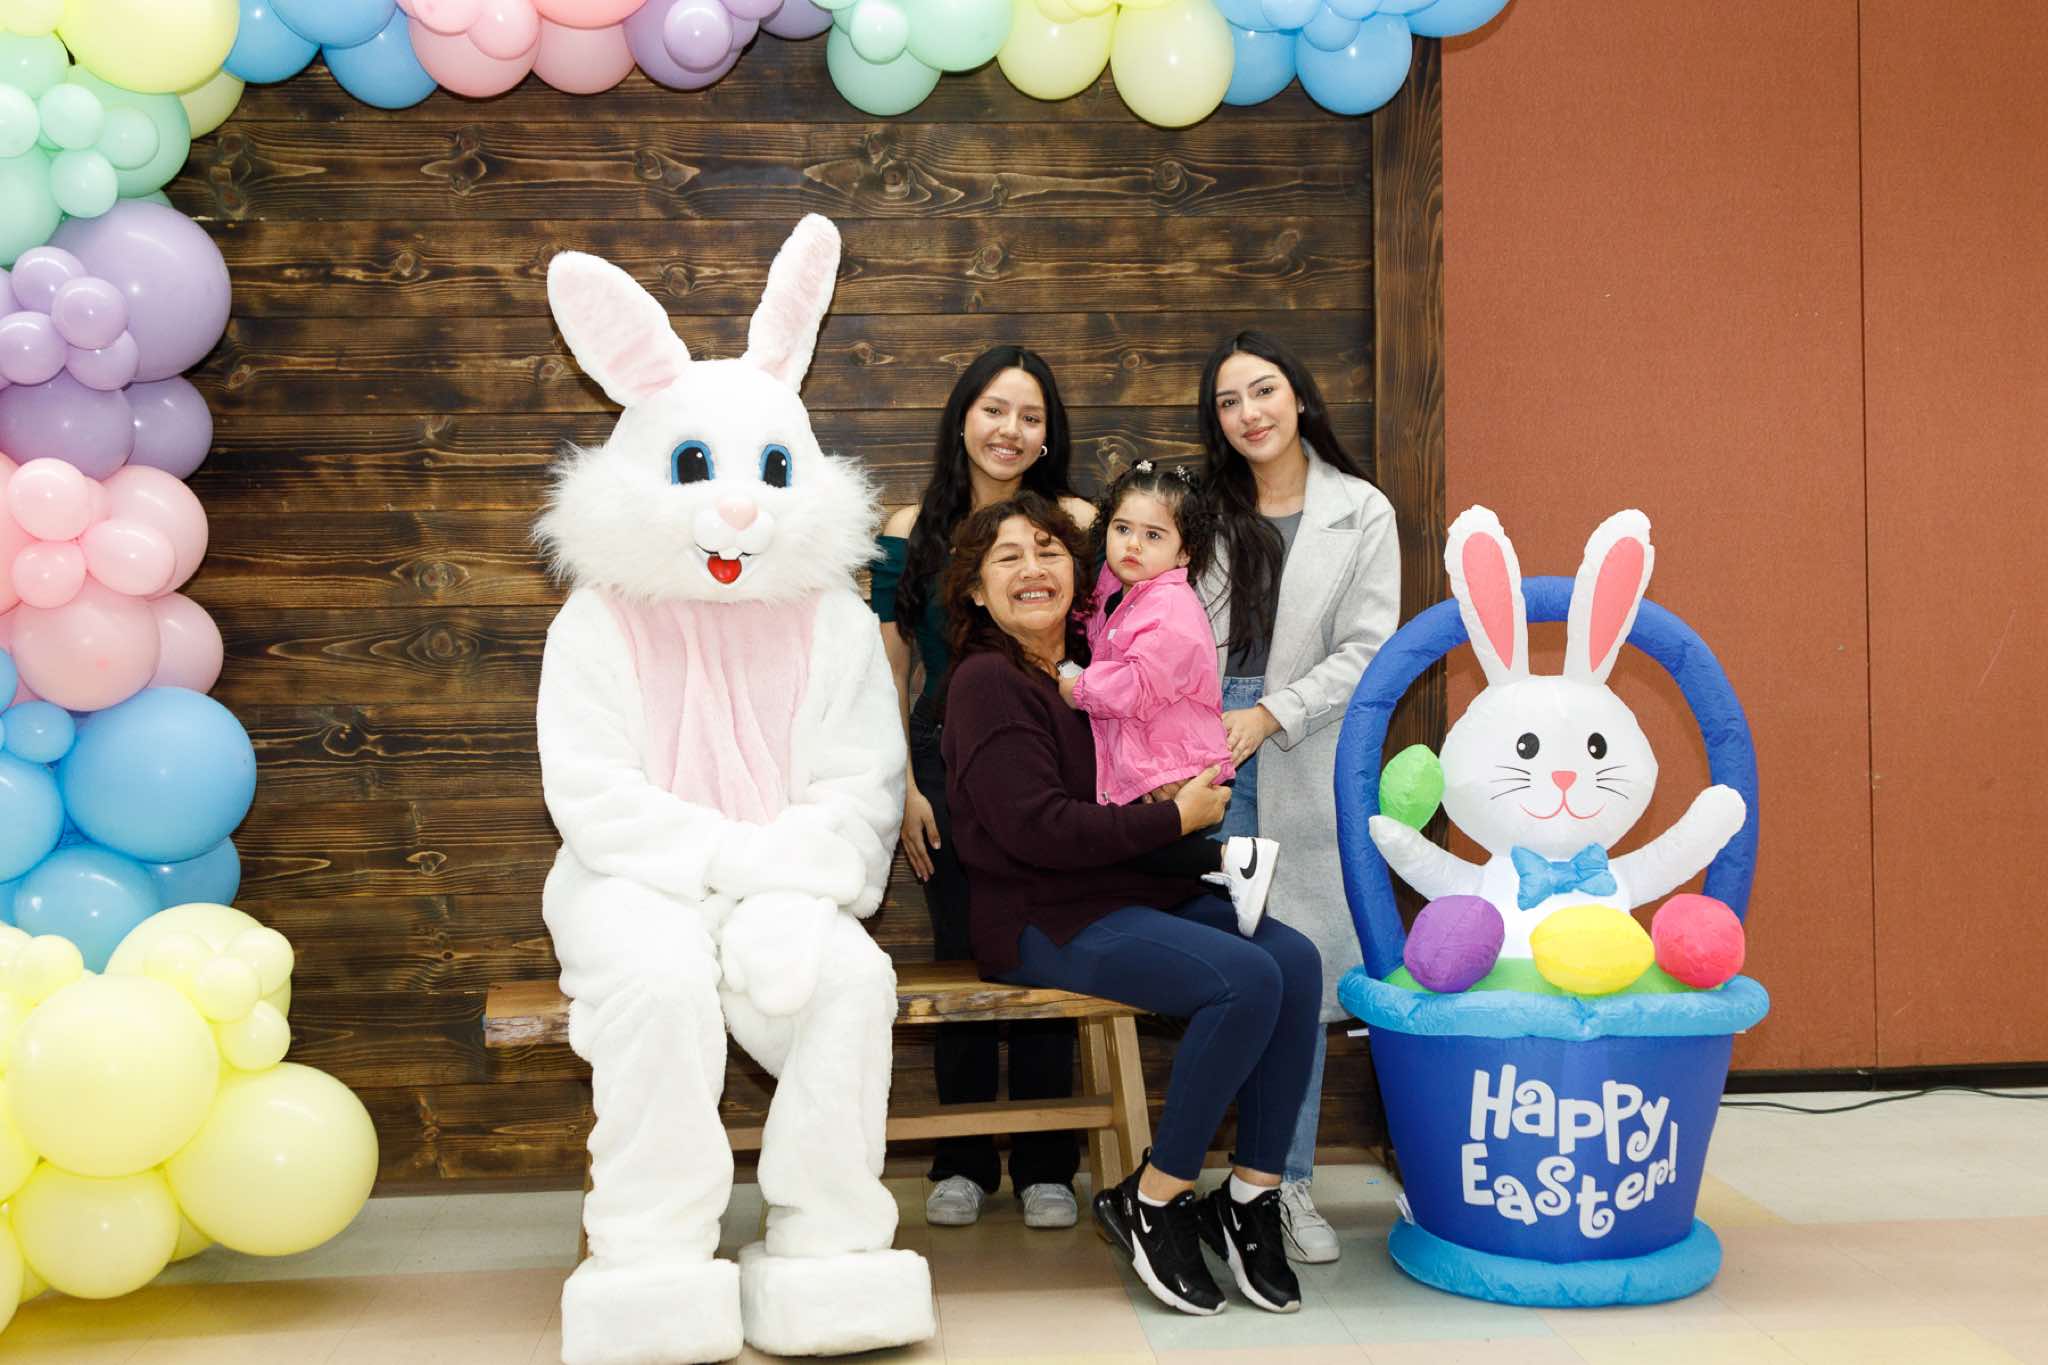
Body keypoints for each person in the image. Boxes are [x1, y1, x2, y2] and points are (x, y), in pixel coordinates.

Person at [940, 493, 1324, 1318]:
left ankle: (1249, 1197)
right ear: (975, 588)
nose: (1033, 568)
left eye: (1048, 550)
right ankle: (1153, 1197)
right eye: (1007, 557)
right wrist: (1175, 819)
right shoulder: (986, 682)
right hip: (1044, 915)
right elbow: (1037, 829)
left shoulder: (1100, 668)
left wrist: (1188, 823)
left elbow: (1138, 781)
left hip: (1132, 889)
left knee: (1293, 959)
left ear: (1079, 571)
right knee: (1244, 979)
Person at [868, 346, 1097, 1231]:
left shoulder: (1078, 521)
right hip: (944, 765)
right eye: (995, 410)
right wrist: (902, 786)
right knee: (963, 948)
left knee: (1051, 941)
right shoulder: (908, 527)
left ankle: (1048, 1163)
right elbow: (889, 667)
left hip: (1056, 757)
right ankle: (961, 1157)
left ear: (1048, 436)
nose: (1011, 430)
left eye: (1031, 417)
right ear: (963, 416)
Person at [1194, 331, 1401, 1265]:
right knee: (1229, 967)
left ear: (1301, 396)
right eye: (1229, 401)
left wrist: (1273, 711)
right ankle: (1207, 1181)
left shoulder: (1361, 509)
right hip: (1204, 755)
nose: (1250, 413)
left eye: (1264, 390)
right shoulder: (1202, 511)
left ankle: (1287, 1184)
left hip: (1301, 745)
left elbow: (1369, 647)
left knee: (1302, 971)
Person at [1059, 459, 1279, 934]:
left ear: (1184, 554)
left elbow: (1137, 684)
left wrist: (1078, 688)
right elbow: (1096, 631)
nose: (1133, 545)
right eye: (1122, 528)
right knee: (1143, 849)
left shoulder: (1171, 606)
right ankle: (1225, 873)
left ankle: (1236, 858)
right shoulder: (1118, 587)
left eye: (1154, 535)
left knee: (1143, 843)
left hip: (1171, 752)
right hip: (1149, 744)